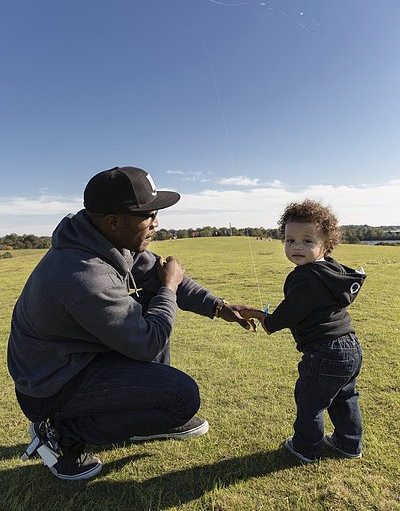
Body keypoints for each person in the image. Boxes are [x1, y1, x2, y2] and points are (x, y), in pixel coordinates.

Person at [7, 166, 263, 481]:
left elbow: (159, 272)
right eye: (149, 215)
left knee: (154, 299)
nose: (157, 223)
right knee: (182, 396)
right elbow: (148, 340)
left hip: (75, 360)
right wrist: (169, 288)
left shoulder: (107, 238)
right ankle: (61, 432)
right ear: (114, 221)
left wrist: (218, 306)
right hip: (50, 385)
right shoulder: (84, 273)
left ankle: (148, 422)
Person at [262, 199, 365, 463]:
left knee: (310, 400)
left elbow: (292, 309)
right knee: (345, 395)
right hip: (350, 347)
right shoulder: (331, 270)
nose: (297, 246)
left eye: (307, 241)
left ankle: (305, 448)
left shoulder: (306, 276)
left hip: (324, 352)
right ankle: (349, 443)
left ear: (326, 244)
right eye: (290, 240)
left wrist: (270, 322)